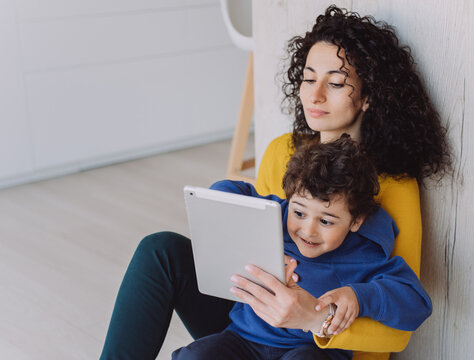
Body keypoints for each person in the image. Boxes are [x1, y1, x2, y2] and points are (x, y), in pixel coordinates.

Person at [100, 5, 451, 360]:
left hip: (317, 343)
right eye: (309, 78)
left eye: (336, 83)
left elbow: (398, 332)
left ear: (367, 96)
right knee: (160, 250)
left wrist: (315, 317)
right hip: (252, 323)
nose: (314, 95)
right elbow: (252, 208)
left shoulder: (393, 184)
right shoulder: (285, 150)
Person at [171, 136, 432, 360]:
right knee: (195, 355)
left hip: (311, 351)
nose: (308, 230)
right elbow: (229, 189)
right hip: (244, 340)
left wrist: (359, 297)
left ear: (356, 221)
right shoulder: (276, 217)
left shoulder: (363, 252)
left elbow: (417, 303)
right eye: (299, 212)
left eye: (326, 221)